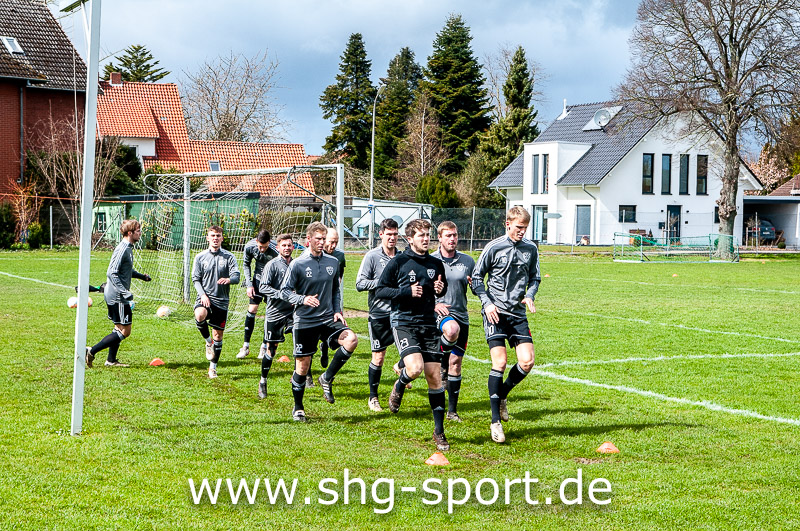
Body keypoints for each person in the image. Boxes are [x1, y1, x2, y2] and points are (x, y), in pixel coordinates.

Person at [375, 219, 449, 451]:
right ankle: (400, 385)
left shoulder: (436, 263)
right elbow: (380, 290)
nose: (426, 239)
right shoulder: (399, 262)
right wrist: (406, 291)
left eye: (428, 235)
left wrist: (441, 289)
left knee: (435, 378)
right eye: (421, 235)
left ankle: (439, 432)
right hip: (404, 322)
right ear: (410, 238)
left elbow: (441, 286)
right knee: (415, 368)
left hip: (428, 324)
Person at [472, 206, 541, 443]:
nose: (522, 232)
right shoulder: (493, 247)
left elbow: (535, 277)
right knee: (500, 362)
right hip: (495, 313)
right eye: (518, 227)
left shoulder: (531, 249)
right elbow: (476, 278)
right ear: (508, 224)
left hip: (517, 313)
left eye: (525, 228)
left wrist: (530, 294)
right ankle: (495, 422)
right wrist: (487, 303)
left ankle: (501, 395)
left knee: (527, 361)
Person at [280, 222, 358, 422]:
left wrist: (337, 310)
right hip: (305, 321)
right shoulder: (298, 264)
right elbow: (284, 291)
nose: (322, 242)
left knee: (351, 340)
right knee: (302, 367)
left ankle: (327, 377)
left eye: (325, 239)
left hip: (327, 318)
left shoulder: (333, 262)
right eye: (319, 239)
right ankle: (298, 408)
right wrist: (302, 299)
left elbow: (335, 290)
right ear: (309, 240)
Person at [85, 219, 151, 368]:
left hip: (116, 295)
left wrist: (141, 276)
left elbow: (125, 271)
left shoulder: (128, 248)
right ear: (130, 233)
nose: (140, 233)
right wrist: (124, 292)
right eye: (138, 230)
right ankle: (91, 350)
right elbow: (112, 273)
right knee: (125, 331)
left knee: (118, 328)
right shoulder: (122, 249)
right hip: (117, 297)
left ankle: (111, 360)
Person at [431, 221, 476, 423]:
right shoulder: (430, 260)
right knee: (450, 330)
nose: (452, 239)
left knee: (456, 364)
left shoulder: (467, 261)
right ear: (439, 237)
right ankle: (440, 360)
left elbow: (476, 288)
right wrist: (433, 303)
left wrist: (475, 285)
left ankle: (452, 411)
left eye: (455, 235)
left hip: (461, 315)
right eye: (448, 235)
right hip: (438, 315)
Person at [355, 218, 399, 412]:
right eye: (389, 234)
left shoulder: (402, 257)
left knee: (413, 351)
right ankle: (373, 398)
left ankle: (401, 369)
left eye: (395, 234)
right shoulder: (372, 257)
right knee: (379, 357)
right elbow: (360, 284)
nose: (392, 238)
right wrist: (381, 283)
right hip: (379, 314)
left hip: (400, 313)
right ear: (380, 234)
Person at [193, 226, 240, 379]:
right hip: (205, 297)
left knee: (218, 336)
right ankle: (208, 342)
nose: (215, 238)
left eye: (218, 235)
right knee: (199, 315)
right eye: (212, 235)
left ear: (222, 238)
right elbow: (196, 279)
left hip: (222, 301)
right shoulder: (200, 257)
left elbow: (237, 276)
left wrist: (229, 279)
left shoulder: (229, 257)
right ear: (207, 238)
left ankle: (213, 368)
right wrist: (203, 295)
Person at [256, 233, 295, 399]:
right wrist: (282, 294)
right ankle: (263, 380)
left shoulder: (297, 264)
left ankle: (301, 377)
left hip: (294, 312)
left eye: (289, 245)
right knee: (272, 350)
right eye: (283, 245)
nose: (287, 248)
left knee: (302, 343)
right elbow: (263, 287)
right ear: (278, 247)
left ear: (293, 247)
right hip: (275, 313)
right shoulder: (271, 265)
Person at [238, 230, 278, 359]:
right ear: (256, 242)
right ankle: (245, 346)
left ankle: (264, 346)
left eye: (265, 247)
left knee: (270, 313)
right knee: (252, 309)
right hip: (257, 281)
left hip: (272, 283)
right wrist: (249, 285)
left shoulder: (275, 250)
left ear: (269, 243)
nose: (262, 249)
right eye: (260, 246)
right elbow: (246, 264)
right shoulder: (250, 247)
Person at [319, 227, 346, 368]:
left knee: (342, 334)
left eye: (336, 242)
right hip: (315, 302)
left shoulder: (339, 256)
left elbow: (339, 278)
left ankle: (325, 345)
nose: (333, 245)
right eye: (331, 242)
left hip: (331, 301)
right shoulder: (314, 255)